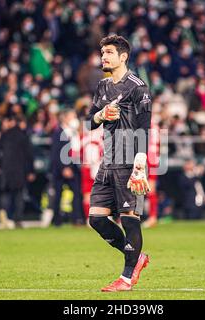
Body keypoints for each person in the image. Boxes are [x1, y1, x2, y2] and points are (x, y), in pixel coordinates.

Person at [86, 35, 152, 292]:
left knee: (129, 218)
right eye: (102, 52)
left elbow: (145, 128)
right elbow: (88, 121)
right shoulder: (102, 86)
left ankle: (126, 278)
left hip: (129, 162)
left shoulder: (138, 87)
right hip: (107, 162)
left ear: (123, 56)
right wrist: (101, 115)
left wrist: (140, 162)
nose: (104, 56)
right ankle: (137, 258)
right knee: (96, 219)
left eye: (109, 52)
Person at [0, 117, 35, 229]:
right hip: (19, 171)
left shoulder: (5, 134)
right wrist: (31, 171)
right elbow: (29, 155)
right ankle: (18, 220)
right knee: (18, 195)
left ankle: (4, 218)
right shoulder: (23, 136)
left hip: (6, 170)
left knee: (5, 194)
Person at [49, 109, 85, 226]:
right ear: (65, 118)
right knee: (58, 194)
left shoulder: (73, 132)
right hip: (61, 169)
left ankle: (76, 218)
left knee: (77, 193)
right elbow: (56, 152)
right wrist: (64, 167)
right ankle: (56, 220)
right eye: (72, 116)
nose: (74, 118)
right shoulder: (58, 132)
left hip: (73, 167)